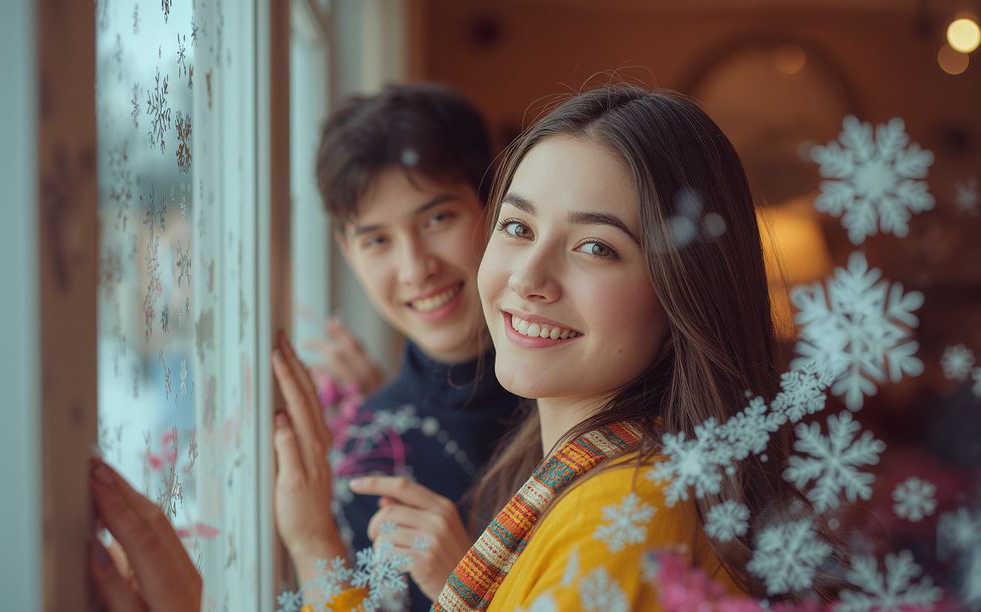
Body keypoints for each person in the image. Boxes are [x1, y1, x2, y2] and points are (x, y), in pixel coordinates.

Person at [90, 85, 834, 610]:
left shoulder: (628, 512)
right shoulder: (574, 474)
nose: (529, 278)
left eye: (597, 249)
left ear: (685, 289)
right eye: (519, 228)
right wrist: (315, 537)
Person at [282, 83, 523, 610]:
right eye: (378, 240)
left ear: (495, 201)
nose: (416, 269)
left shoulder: (587, 399)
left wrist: (467, 587)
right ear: (348, 253)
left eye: (438, 219)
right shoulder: (365, 453)